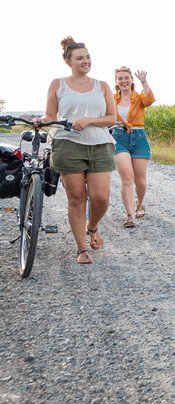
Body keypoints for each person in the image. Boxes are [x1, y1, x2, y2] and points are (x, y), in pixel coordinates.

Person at [38, 37, 116, 264]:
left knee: (101, 198)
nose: (86, 61)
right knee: (77, 198)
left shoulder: (101, 86)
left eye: (88, 57)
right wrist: (40, 120)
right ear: (68, 61)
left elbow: (112, 117)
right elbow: (50, 116)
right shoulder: (57, 84)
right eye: (80, 58)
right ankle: (82, 249)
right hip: (68, 144)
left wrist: (88, 120)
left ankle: (92, 227)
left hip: (99, 144)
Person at [111, 66, 155, 228]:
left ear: (131, 80)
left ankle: (140, 203)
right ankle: (129, 215)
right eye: (120, 78)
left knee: (140, 181)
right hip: (119, 138)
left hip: (139, 137)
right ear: (116, 82)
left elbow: (149, 100)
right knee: (127, 178)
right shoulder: (112, 99)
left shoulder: (139, 98)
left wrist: (144, 82)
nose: (123, 81)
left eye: (126, 78)